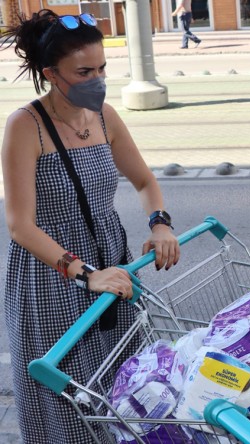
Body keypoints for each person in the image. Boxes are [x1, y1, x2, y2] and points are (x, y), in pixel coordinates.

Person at [0, 10, 180, 443]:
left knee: (121, 387)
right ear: (51, 74)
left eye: (102, 68)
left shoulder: (105, 117)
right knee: (71, 399)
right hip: (54, 276)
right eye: (84, 72)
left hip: (112, 266)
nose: (97, 80)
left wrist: (159, 225)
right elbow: (20, 226)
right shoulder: (25, 126)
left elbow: (144, 181)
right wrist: (85, 274)